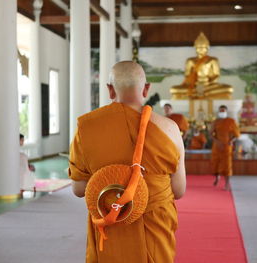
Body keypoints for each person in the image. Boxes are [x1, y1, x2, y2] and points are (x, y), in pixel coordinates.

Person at [68, 61, 186, 263]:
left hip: (111, 221)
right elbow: (179, 190)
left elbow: (79, 189)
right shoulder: (170, 128)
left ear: (110, 90)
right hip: (155, 226)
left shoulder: (86, 127)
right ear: (146, 89)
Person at [210, 105, 240, 190]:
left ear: (226, 112)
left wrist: (231, 141)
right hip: (217, 145)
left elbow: (236, 135)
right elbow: (210, 134)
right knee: (216, 162)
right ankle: (217, 178)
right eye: (220, 111)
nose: (222, 112)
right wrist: (216, 141)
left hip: (227, 145)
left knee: (227, 165)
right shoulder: (215, 122)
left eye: (223, 111)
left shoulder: (231, 121)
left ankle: (227, 183)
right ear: (218, 112)